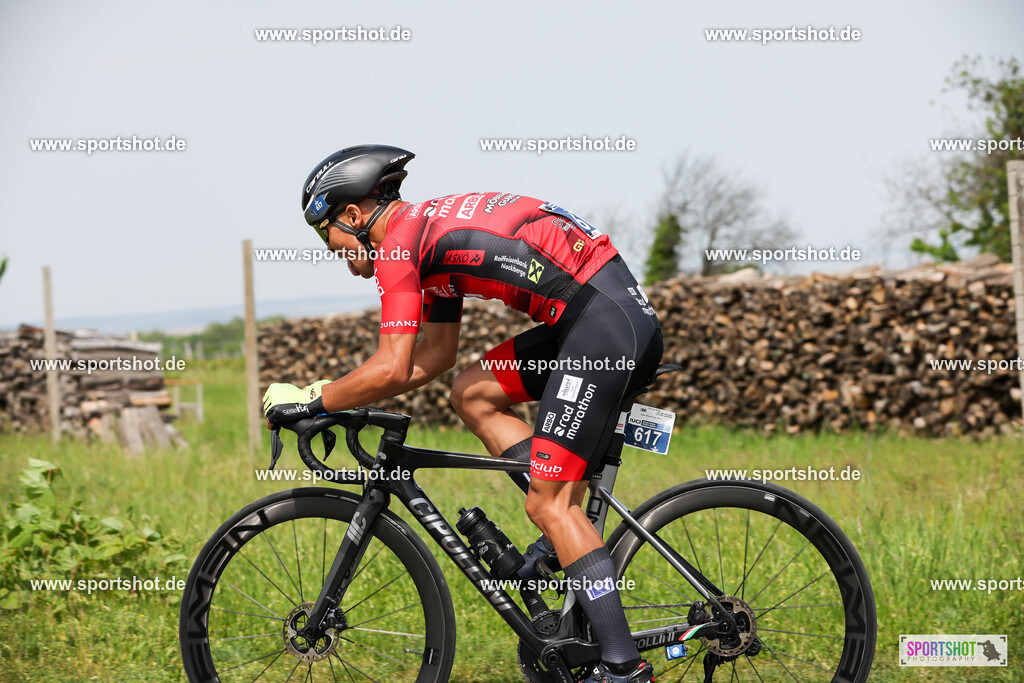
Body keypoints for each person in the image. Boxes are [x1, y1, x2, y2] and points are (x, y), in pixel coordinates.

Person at [264, 144, 663, 683]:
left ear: (354, 216)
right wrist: (339, 395)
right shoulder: (422, 238)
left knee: (552, 505)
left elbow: (390, 365)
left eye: (326, 232)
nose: (332, 248)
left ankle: (623, 668)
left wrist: (315, 398)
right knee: (472, 391)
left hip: (601, 323)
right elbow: (433, 358)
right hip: (598, 312)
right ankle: (560, 534)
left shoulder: (397, 249)